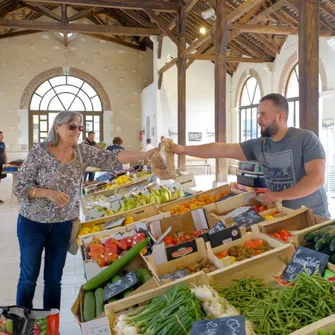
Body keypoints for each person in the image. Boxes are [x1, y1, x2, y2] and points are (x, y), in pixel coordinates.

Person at [14, 111, 156, 310]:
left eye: (80, 127)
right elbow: (19, 187)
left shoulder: (82, 152)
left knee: (54, 280)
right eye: (72, 126)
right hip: (32, 224)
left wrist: (144, 154)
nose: (77, 131)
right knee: (28, 278)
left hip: (63, 226)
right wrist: (46, 192)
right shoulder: (40, 151)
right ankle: (21, 322)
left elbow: (112, 157)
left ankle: (51, 325)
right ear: (57, 127)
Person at [171, 93, 329, 218]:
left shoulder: (305, 138)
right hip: (281, 215)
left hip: (313, 217)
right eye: (258, 115)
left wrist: (279, 195)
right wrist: (183, 149)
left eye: (263, 115)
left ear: (280, 117)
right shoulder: (259, 145)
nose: (258, 120)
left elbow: (317, 178)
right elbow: (221, 149)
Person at [0, 131, 7, 204]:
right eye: (1, 136)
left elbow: (4, 154)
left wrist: (6, 163)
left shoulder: (2, 144)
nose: (3, 137)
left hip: (1, 165)